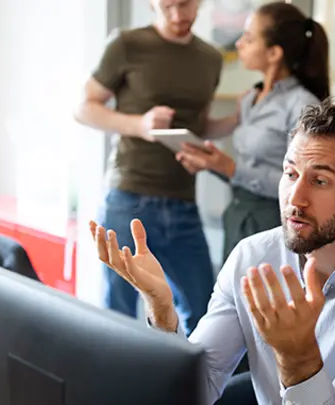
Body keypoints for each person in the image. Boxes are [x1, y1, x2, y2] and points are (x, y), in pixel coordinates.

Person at [90, 100, 335, 405]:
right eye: (290, 174)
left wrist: (298, 357)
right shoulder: (252, 257)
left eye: (320, 181)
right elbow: (195, 390)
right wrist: (162, 311)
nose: (294, 199)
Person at [74, 0, 238, 335]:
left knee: (204, 311)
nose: (179, 15)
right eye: (167, 6)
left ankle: (192, 388)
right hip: (128, 198)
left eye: (186, 5)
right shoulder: (126, 45)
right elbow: (84, 108)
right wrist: (141, 125)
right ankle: (120, 387)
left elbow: (201, 126)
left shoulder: (210, 58)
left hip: (183, 201)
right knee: (118, 313)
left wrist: (241, 116)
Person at [175, 2, 330, 262]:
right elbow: (246, 170)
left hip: (275, 224)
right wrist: (211, 163)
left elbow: (301, 185)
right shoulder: (249, 100)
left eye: (248, 38)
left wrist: (231, 168)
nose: (238, 44)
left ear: (273, 53)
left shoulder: (303, 106)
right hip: (236, 216)